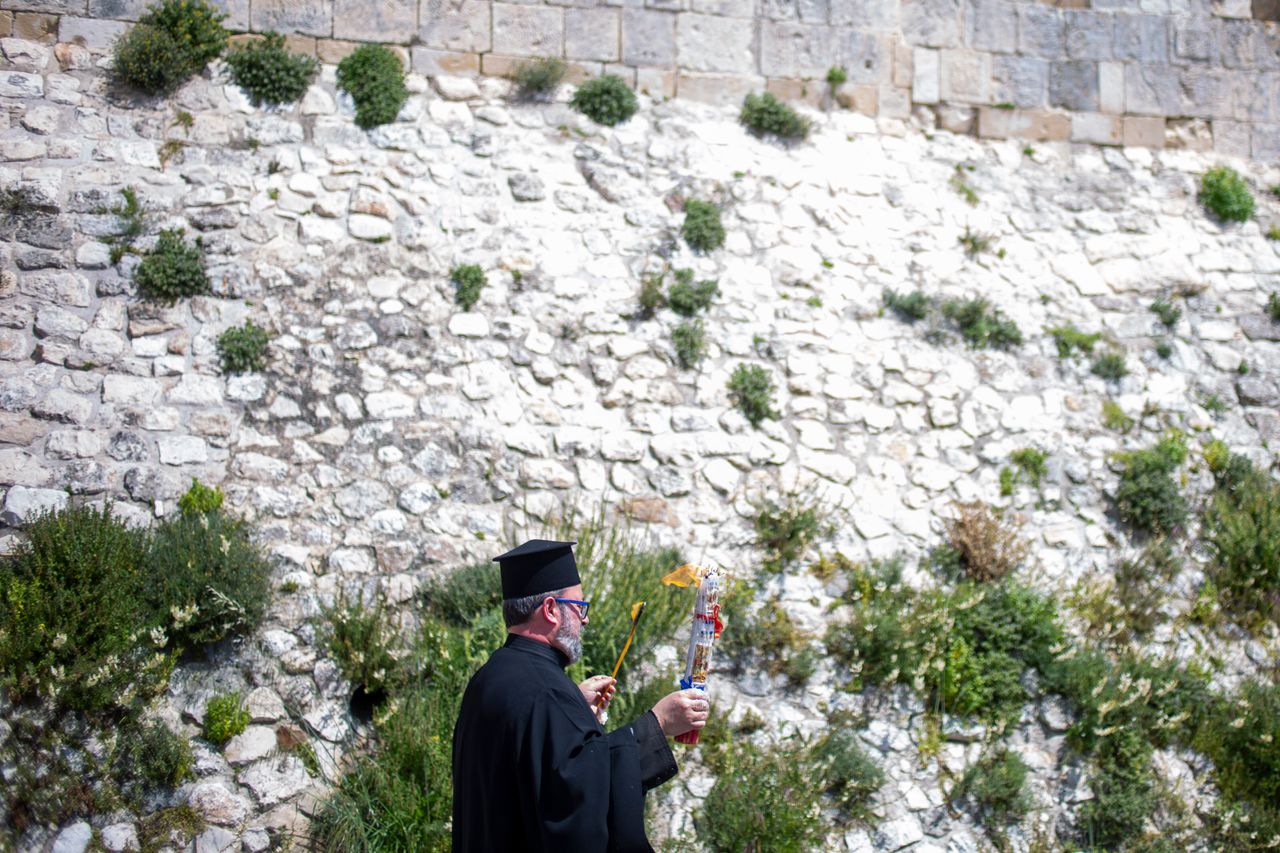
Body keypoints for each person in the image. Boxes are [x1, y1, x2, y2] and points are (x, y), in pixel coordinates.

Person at [451, 538, 710, 853]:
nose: (584, 619)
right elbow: (575, 798)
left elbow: (533, 767)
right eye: (579, 607)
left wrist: (575, 707)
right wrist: (656, 724)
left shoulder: (492, 675)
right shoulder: (547, 692)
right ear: (550, 610)